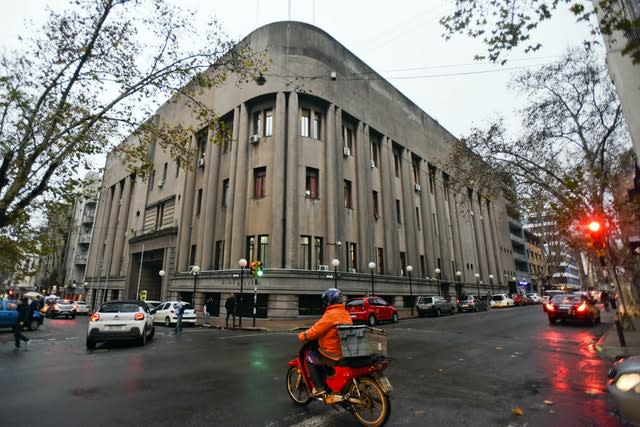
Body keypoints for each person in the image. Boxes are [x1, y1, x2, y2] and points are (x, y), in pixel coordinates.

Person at [297, 288, 352, 400]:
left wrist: (303, 335)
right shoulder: (345, 313)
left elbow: (316, 330)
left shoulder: (331, 314)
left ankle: (319, 387)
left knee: (310, 357)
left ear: (328, 301)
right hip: (343, 350)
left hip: (332, 352)